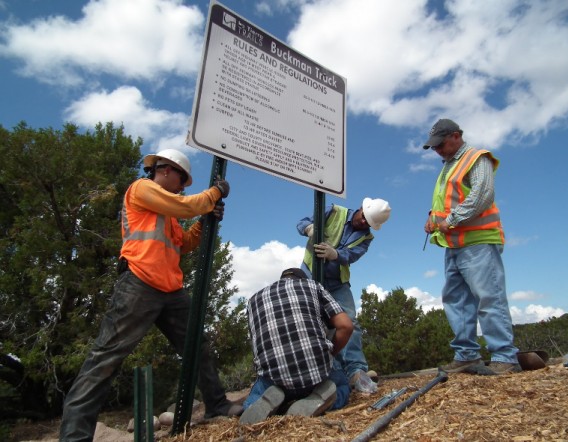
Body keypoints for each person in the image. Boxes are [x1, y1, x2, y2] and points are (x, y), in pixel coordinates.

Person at [60, 149, 241, 441]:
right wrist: (215, 193)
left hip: (170, 290)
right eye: (182, 180)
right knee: (105, 359)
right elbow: (187, 205)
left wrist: (204, 222)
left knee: (199, 346)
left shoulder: (166, 214)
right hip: (139, 284)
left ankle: (216, 405)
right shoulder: (141, 189)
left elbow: (182, 244)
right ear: (166, 170)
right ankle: (74, 437)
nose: (183, 187)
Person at [422, 119, 521, 375]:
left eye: (440, 145)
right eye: (433, 147)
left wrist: (450, 220)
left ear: (456, 136)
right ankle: (466, 355)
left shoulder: (476, 158)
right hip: (453, 246)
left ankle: (505, 357)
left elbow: (482, 194)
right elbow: (448, 203)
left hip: (477, 242)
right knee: (456, 300)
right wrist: (433, 220)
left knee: (488, 297)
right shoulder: (448, 167)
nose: (437, 151)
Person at [296, 198, 391, 393]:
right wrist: (310, 229)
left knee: (350, 323)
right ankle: (325, 369)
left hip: (338, 283)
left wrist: (335, 254)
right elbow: (301, 222)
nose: (364, 224)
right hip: (309, 275)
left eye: (369, 223)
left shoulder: (366, 238)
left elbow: (352, 255)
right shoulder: (333, 211)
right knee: (312, 322)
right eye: (364, 218)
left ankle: (356, 371)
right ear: (360, 209)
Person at [239, 268, 353, 425]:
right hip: (317, 372)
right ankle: (321, 401)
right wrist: (331, 354)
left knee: (261, 388)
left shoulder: (253, 300)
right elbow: (345, 326)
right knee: (342, 386)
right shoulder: (313, 286)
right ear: (302, 279)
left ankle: (258, 404)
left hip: (274, 376)